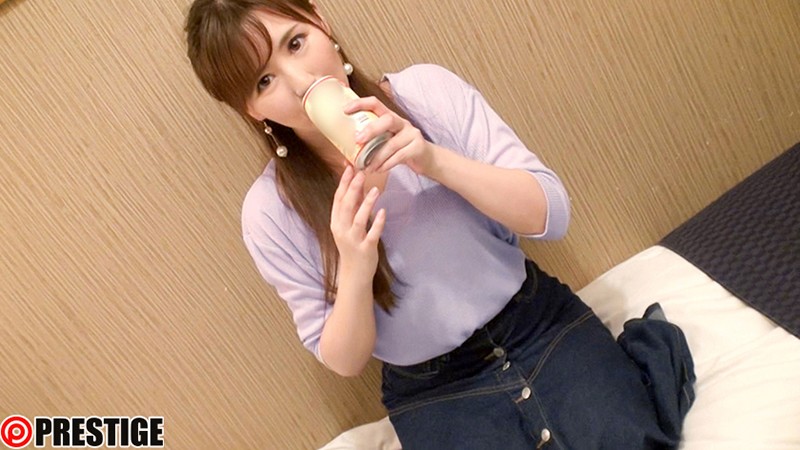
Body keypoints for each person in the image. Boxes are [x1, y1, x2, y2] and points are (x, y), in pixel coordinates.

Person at [184, 1, 696, 448]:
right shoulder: (269, 213)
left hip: (536, 323)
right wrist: (356, 266)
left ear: (320, 21)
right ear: (250, 108)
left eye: (296, 43)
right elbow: (344, 360)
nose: (298, 82)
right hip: (433, 387)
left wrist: (433, 161)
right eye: (264, 81)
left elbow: (552, 213)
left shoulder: (425, 93)